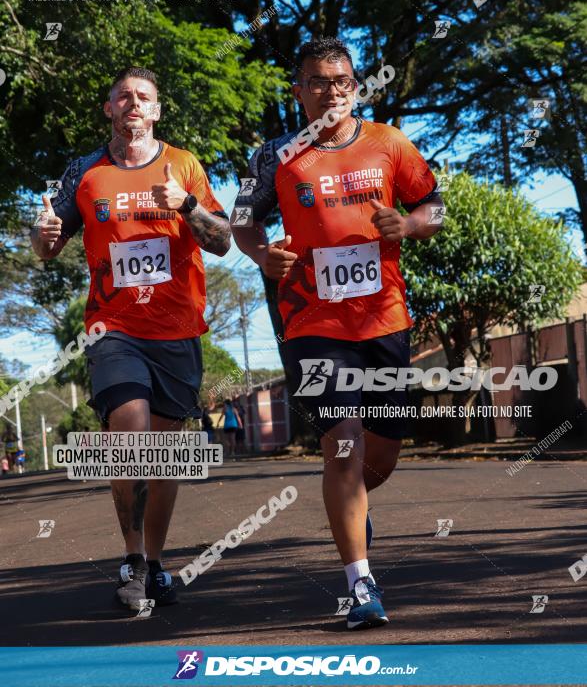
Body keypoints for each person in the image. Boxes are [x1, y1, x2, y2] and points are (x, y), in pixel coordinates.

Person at [232, 37, 444, 629]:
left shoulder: (389, 143)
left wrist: (409, 224)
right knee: (344, 443)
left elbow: (437, 206)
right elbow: (243, 219)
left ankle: (355, 506)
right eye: (318, 82)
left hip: (384, 318)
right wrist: (261, 255)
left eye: (342, 81)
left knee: (382, 450)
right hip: (312, 320)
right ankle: (360, 584)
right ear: (298, 91)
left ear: (357, 87)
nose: (331, 91)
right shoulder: (275, 155)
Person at [30, 66, 231, 611]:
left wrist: (185, 205)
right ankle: (132, 557)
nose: (133, 104)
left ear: (157, 111)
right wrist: (43, 235)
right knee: (129, 433)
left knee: (163, 456)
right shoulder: (85, 171)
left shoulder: (183, 165)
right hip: (113, 327)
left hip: (177, 329)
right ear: (109, 109)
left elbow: (221, 242)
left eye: (144, 97)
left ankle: (157, 563)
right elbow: (48, 244)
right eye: (123, 96)